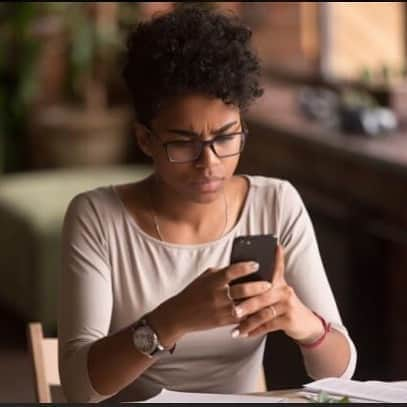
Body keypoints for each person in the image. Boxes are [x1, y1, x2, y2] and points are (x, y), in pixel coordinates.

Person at [58, 5, 357, 403]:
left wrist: (302, 322)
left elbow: (340, 372)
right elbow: (80, 389)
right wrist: (173, 318)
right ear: (145, 139)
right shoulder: (97, 218)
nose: (210, 162)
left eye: (226, 136)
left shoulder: (275, 203)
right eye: (184, 142)